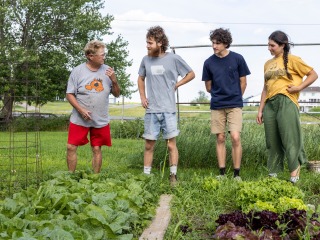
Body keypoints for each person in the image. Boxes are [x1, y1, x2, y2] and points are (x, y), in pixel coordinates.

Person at [256, 30, 318, 183]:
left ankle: (294, 175)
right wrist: (260, 109)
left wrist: (299, 88)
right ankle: (273, 175)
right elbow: (265, 88)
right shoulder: (267, 64)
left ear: (282, 45)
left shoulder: (293, 60)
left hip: (286, 100)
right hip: (270, 104)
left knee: (290, 138)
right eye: (268, 45)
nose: (269, 48)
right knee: (272, 139)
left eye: (272, 45)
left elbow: (313, 74)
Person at [137, 26, 195, 185]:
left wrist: (178, 84)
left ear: (160, 43)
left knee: (171, 145)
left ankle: (173, 176)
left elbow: (191, 74)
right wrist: (142, 96)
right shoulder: (145, 60)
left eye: (150, 43)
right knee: (149, 144)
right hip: (152, 110)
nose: (147, 46)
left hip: (168, 110)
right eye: (146, 42)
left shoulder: (174, 59)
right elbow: (140, 78)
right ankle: (146, 176)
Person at [202, 28, 251, 180]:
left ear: (225, 43)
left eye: (217, 43)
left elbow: (243, 82)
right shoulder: (208, 62)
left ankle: (237, 174)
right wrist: (219, 94)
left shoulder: (238, 59)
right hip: (217, 105)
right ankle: (222, 173)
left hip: (235, 104)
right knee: (221, 138)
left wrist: (236, 97)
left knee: (235, 137)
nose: (214, 46)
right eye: (213, 43)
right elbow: (208, 87)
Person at [66, 40, 120, 173]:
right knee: (71, 147)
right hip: (80, 117)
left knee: (97, 148)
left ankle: (95, 179)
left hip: (100, 118)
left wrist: (114, 80)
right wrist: (81, 109)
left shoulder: (108, 71)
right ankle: (70, 178)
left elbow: (117, 94)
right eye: (101, 54)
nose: (104, 56)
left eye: (104, 54)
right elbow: (69, 94)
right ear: (90, 55)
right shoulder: (77, 71)